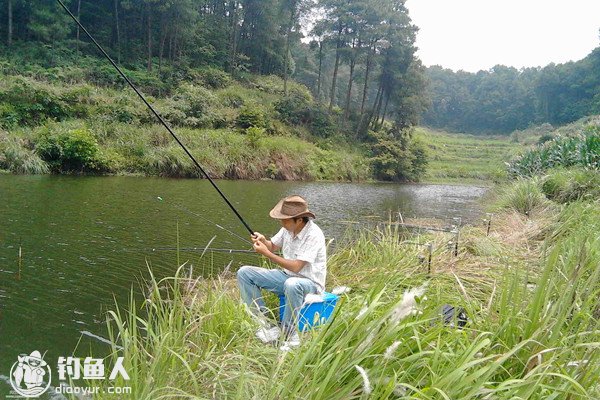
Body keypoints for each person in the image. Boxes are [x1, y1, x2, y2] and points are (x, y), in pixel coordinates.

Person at [237, 195, 327, 348]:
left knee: (293, 284)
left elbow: (297, 267)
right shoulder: (288, 228)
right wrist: (264, 241)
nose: (281, 222)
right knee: (244, 273)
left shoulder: (314, 235)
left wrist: (267, 254)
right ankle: (265, 325)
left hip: (310, 284)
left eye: (284, 220)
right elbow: (273, 246)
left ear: (299, 220)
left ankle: (290, 335)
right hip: (287, 277)